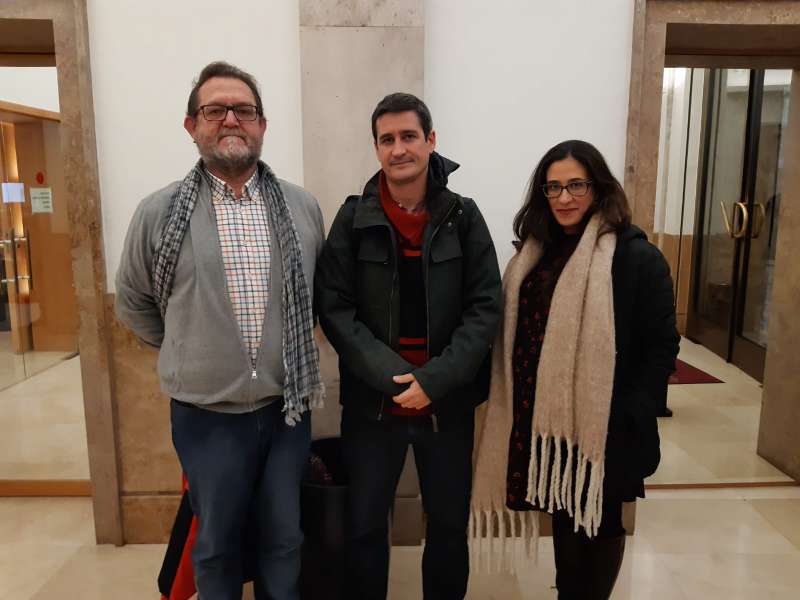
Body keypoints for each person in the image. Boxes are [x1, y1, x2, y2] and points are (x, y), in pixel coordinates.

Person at [115, 61, 325, 600]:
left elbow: (315, 299)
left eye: (244, 110)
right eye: (215, 110)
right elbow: (135, 302)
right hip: (205, 417)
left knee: (285, 538)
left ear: (262, 125)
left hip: (286, 410)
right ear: (192, 126)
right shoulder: (158, 212)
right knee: (216, 545)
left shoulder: (302, 207)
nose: (231, 119)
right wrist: (190, 348)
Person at [470, 140, 680, 599]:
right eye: (553, 188)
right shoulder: (535, 254)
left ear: (599, 188)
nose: (564, 198)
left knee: (599, 521)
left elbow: (662, 346)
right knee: (565, 513)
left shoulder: (635, 257)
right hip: (547, 419)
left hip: (606, 421)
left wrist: (629, 410)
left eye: (576, 185)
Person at [315, 92, 501, 599]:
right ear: (376, 148)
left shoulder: (463, 216)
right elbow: (334, 308)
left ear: (431, 140)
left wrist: (433, 381)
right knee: (365, 528)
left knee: (448, 527)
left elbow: (485, 307)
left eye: (409, 136)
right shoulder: (353, 220)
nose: (398, 149)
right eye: (387, 139)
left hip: (447, 406)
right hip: (374, 407)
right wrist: (396, 379)